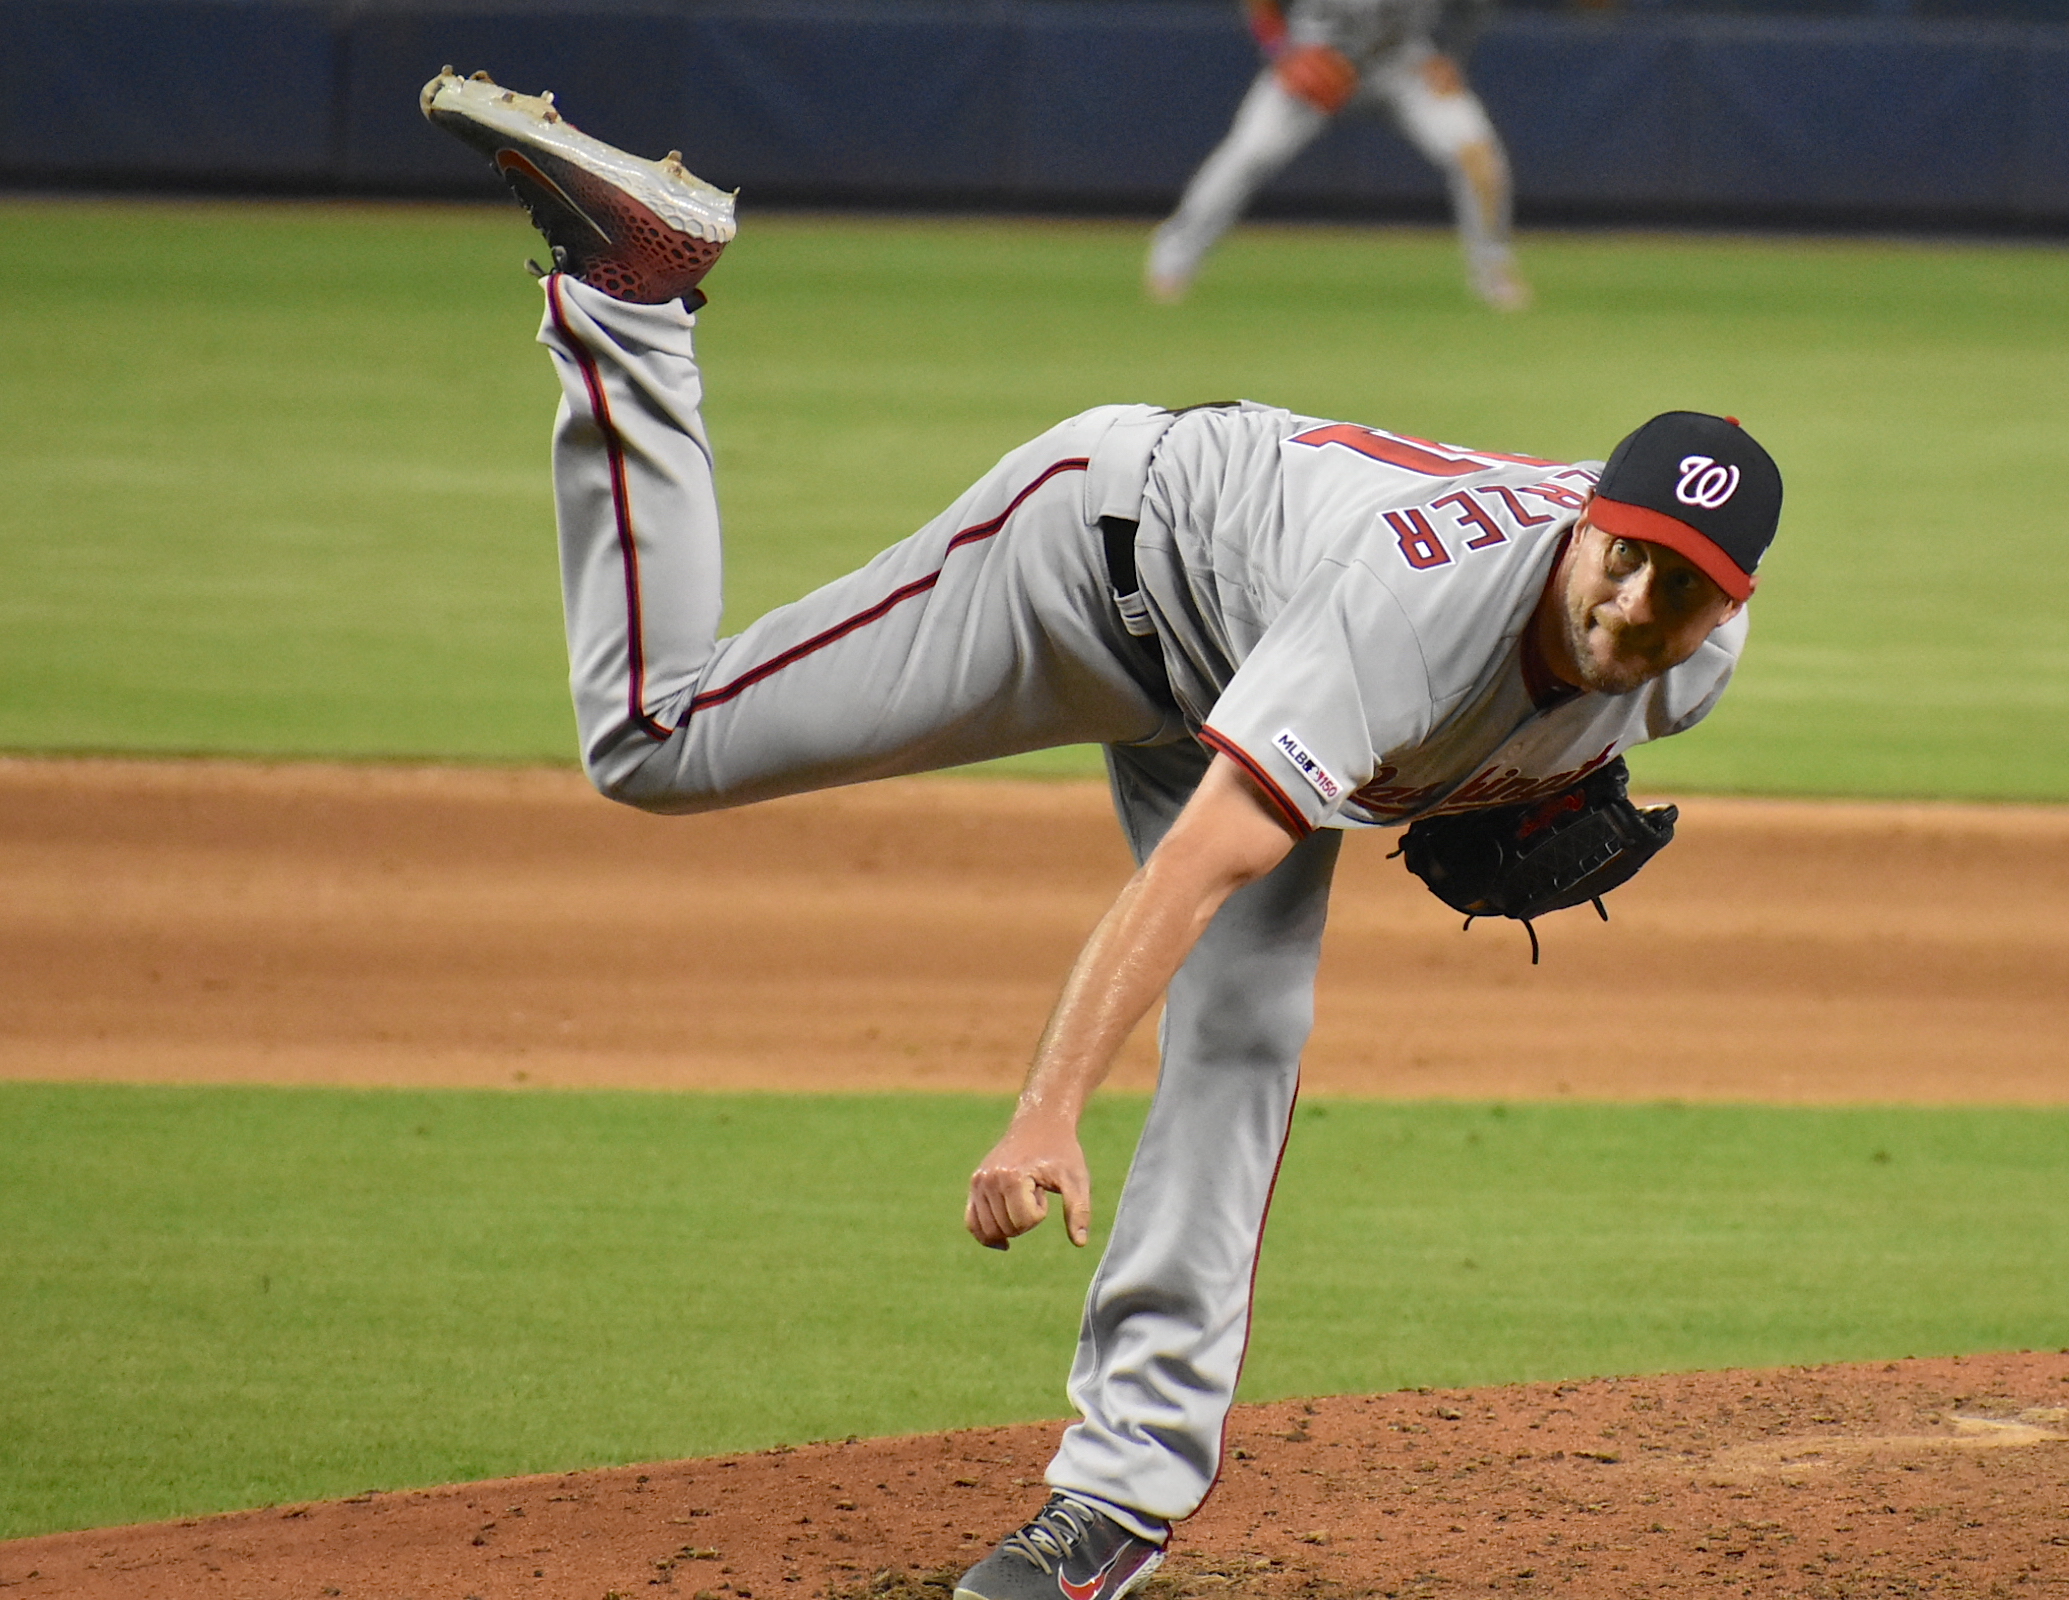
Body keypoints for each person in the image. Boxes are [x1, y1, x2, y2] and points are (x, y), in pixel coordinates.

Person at [421, 68, 1782, 1600]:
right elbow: (1203, 859)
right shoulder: (1408, 622)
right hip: (1093, 564)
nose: (1639, 605)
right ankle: (632, 296)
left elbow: (1534, 717)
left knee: (1247, 1034)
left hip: (1254, 655)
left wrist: (1505, 779)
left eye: (1683, 590)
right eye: (1627, 559)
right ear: (1588, 517)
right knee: (657, 744)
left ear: (1732, 605)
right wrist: (1046, 1108)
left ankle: (1114, 1507)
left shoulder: (1686, 675)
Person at [1146, 0, 1528, 309]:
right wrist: (1282, 53)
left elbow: (1474, 7)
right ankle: (1174, 258)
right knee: (1250, 153)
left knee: (1477, 154)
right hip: (1317, 59)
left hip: (1403, 64)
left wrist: (1453, 55)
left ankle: (1492, 268)